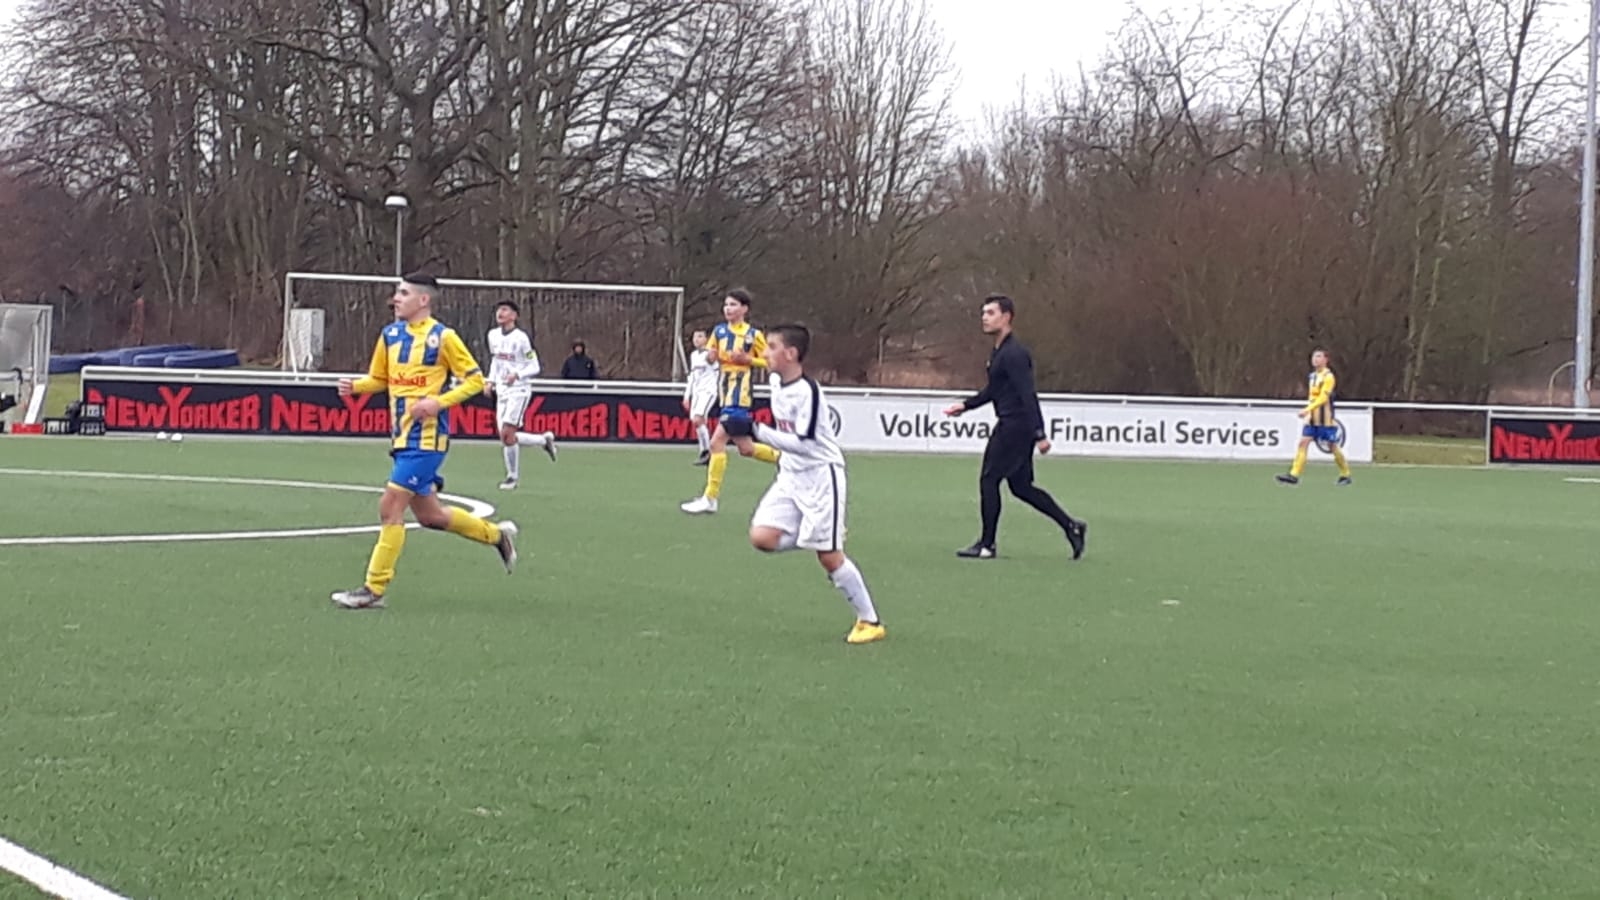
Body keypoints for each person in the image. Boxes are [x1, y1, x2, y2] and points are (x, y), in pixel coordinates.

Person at [330, 274, 519, 610]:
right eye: (396, 293)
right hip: (401, 437)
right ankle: (496, 536)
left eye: (403, 293)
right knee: (431, 517)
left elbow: (475, 380)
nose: (396, 298)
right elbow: (380, 378)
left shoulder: (443, 337)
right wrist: (356, 386)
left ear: (423, 300)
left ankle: (373, 588)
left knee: (389, 507)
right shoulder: (390, 336)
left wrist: (438, 402)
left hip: (427, 440)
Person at [725, 324, 885, 644]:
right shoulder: (776, 381)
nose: (765, 352)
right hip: (790, 475)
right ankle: (825, 532)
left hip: (821, 475)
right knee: (762, 538)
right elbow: (762, 365)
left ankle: (870, 621)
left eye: (771, 347)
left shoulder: (807, 392)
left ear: (791, 353)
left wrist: (756, 431)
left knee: (829, 556)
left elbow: (806, 443)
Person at [943, 294, 1087, 560]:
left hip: (1015, 427)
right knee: (1021, 486)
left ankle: (987, 545)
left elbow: (1027, 393)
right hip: (1015, 426)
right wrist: (965, 405)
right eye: (983, 313)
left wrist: (1039, 433)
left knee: (989, 480)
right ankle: (1072, 526)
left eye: (990, 313)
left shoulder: (1015, 354)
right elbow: (994, 390)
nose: (984, 318)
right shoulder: (1000, 352)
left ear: (1006, 317)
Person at [680, 289, 781, 514]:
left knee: (716, 443)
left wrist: (748, 359)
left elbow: (771, 362)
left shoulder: (752, 335)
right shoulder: (719, 331)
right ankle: (787, 460)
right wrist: (710, 357)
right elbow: (710, 356)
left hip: (740, 396)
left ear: (744, 309)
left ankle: (710, 498)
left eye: (733, 304)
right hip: (724, 395)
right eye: (726, 304)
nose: (728, 308)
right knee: (746, 448)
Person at [484, 300, 557, 490]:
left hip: (519, 389)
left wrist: (517, 374)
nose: (500, 313)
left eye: (505, 310)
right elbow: (496, 361)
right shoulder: (492, 335)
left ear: (514, 316)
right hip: (502, 390)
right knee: (506, 437)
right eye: (499, 309)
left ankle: (512, 478)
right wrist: (490, 380)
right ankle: (543, 440)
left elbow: (535, 366)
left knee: (507, 434)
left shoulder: (521, 338)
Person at [1276, 348, 1353, 486]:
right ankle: (1294, 474)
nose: (1315, 359)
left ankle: (1345, 474)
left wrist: (1307, 410)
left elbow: (1323, 398)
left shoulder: (1328, 377)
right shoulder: (1312, 376)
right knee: (1303, 442)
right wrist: (1310, 412)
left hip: (1325, 419)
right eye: (1314, 357)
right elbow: (1312, 397)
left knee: (1332, 446)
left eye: (1318, 356)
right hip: (1312, 418)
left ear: (1325, 360)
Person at [681, 328, 719, 465]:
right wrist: (687, 396)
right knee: (697, 422)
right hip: (697, 393)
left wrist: (712, 351)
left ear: (706, 339)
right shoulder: (693, 355)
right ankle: (704, 451)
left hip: (707, 392)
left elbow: (712, 359)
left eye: (700, 336)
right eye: (695, 337)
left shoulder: (710, 353)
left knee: (698, 419)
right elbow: (692, 377)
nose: (696, 339)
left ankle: (708, 452)